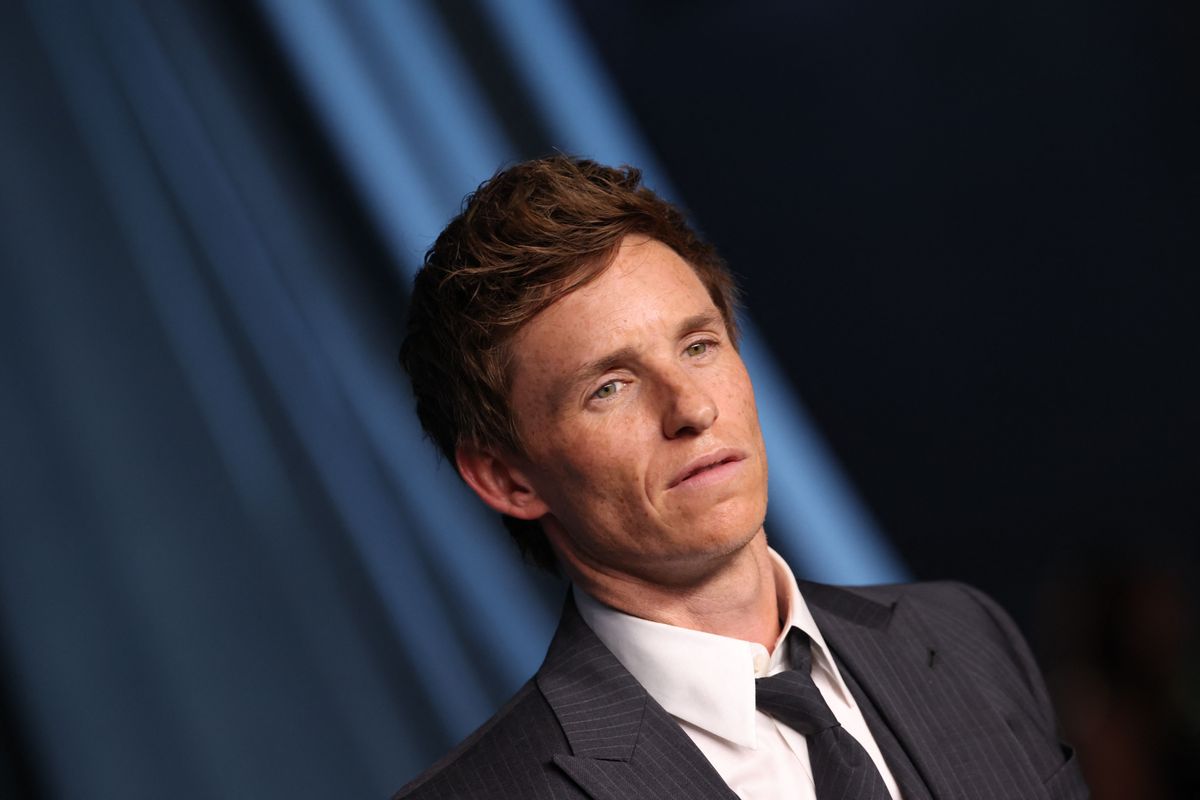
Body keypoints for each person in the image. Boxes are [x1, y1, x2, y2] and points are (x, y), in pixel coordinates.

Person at [395, 155, 1089, 800]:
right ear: (507, 479)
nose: (693, 408)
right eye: (610, 387)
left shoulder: (966, 635)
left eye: (699, 346)